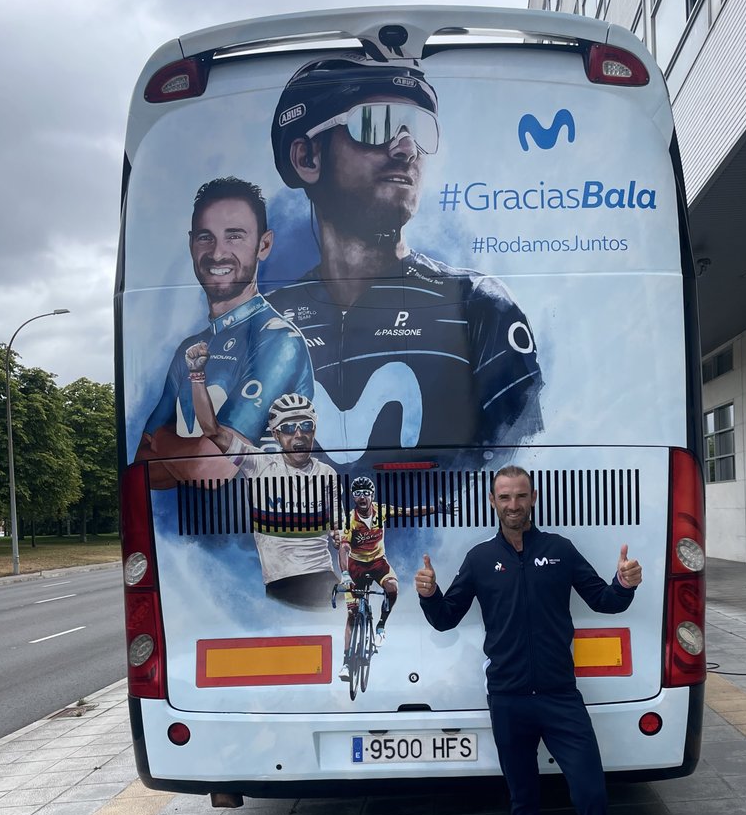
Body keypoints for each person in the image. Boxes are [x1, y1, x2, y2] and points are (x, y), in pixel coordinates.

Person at [267, 55, 543, 461]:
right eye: (374, 124)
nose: (407, 148)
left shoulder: (479, 305)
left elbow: (522, 466)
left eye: (417, 130)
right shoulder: (267, 323)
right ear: (307, 158)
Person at [415, 465, 643, 815]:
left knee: (591, 795)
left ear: (533, 498)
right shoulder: (480, 559)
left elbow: (604, 602)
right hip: (509, 699)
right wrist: (429, 595)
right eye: (504, 497)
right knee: (524, 801)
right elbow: (445, 619)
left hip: (561, 697)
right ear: (493, 501)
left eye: (520, 496)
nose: (513, 505)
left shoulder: (558, 551)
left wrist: (624, 584)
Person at [137, 177, 314, 488]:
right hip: (184, 535)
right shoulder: (190, 348)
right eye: (206, 237)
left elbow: (209, 470)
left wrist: (162, 438)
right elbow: (141, 469)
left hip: (273, 531)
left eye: (234, 237)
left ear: (264, 244)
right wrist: (189, 455)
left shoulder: (278, 339)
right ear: (191, 244)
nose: (218, 253)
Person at [187, 363, 339, 604]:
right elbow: (211, 430)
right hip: (281, 583)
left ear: (314, 430)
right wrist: (197, 375)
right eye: (289, 428)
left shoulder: (327, 473)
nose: (299, 434)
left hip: (324, 579)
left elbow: (339, 531)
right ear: (277, 435)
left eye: (306, 426)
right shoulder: (258, 463)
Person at [335, 474, 441, 681]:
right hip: (355, 566)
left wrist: (435, 509)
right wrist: (345, 574)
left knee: (392, 586)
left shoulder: (381, 510)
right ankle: (346, 664)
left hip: (378, 562)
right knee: (351, 616)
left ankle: (381, 625)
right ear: (353, 497)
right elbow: (344, 548)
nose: (362, 497)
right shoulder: (349, 519)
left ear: (372, 495)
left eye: (366, 493)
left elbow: (409, 512)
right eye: (358, 494)